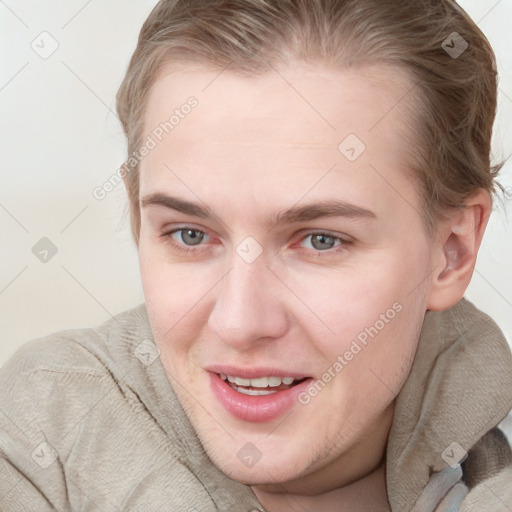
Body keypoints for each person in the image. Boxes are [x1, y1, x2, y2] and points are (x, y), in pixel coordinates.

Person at [1, 0, 511, 510]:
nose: (240, 322)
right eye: (190, 235)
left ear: (452, 252)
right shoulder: (32, 449)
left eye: (320, 241)